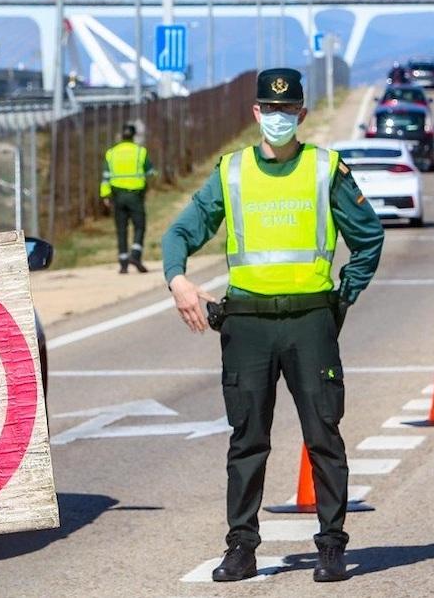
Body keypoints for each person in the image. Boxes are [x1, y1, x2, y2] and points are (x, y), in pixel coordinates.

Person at [161, 68, 385, 583]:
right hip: (248, 327)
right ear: (256, 112)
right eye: (270, 109)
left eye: (289, 111)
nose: (279, 118)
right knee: (246, 441)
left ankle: (331, 547)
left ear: (301, 114)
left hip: (310, 322)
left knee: (323, 435)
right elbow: (181, 232)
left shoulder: (325, 168)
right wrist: (178, 281)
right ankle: (241, 546)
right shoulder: (232, 171)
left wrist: (340, 299)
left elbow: (368, 237)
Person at [100, 123, 155, 273]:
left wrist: (105, 195)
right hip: (135, 195)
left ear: (121, 135)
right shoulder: (140, 152)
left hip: (117, 196)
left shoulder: (111, 153)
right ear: (133, 135)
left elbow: (105, 176)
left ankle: (123, 263)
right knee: (139, 226)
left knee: (121, 229)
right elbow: (150, 171)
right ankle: (135, 255)